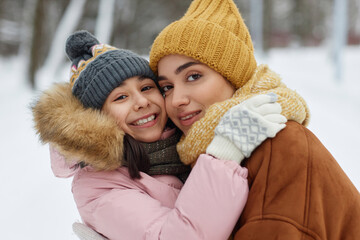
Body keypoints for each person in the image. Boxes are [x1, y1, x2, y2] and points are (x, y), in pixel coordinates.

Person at [32, 30, 287, 240]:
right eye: (121, 97)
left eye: (146, 87)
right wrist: (226, 151)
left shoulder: (185, 140)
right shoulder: (99, 187)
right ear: (95, 120)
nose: (142, 101)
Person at [148, 0, 360, 239]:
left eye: (194, 76)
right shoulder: (193, 157)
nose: (176, 100)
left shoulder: (279, 144)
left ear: (234, 78)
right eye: (166, 87)